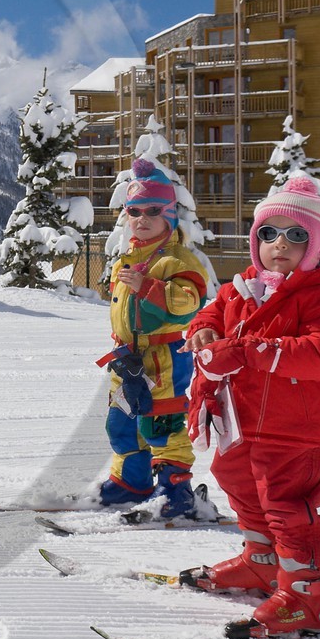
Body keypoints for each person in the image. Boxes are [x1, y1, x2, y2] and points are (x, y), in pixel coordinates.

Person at [180, 175, 320, 638]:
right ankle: (262, 562)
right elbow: (213, 311)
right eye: (268, 233)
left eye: (296, 235)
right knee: (235, 478)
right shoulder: (244, 286)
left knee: (286, 501)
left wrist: (249, 351)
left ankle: (308, 593)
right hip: (241, 418)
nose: (279, 243)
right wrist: (203, 330)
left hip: (296, 424)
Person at [97, 158, 210, 518]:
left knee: (161, 423)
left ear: (170, 216)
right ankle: (132, 482)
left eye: (152, 210)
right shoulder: (126, 258)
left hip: (163, 359)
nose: (142, 219)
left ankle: (175, 490)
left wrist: (148, 288)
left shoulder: (178, 260)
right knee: (122, 420)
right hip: (127, 359)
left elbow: (188, 304)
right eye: (134, 211)